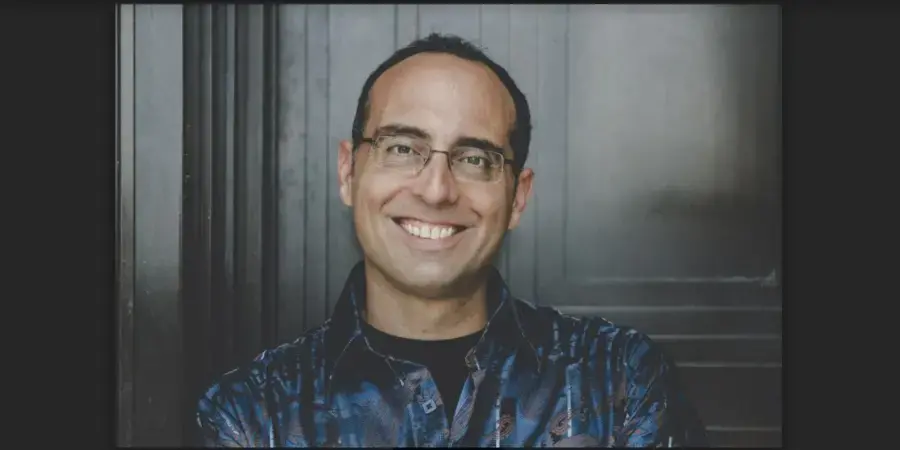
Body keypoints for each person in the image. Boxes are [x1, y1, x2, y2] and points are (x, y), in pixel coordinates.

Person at [196, 33, 708, 448]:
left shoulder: (620, 379)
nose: (436, 190)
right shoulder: (250, 413)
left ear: (518, 196)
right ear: (348, 172)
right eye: (402, 148)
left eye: (475, 159)